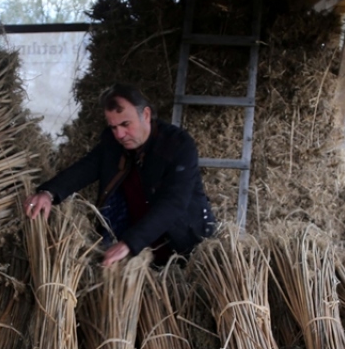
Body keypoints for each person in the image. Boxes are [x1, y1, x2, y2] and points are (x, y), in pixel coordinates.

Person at [24, 84, 216, 266]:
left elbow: (174, 202)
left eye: (126, 124)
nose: (120, 134)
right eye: (113, 127)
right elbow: (86, 168)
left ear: (146, 115)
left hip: (180, 242)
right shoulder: (112, 142)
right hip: (134, 241)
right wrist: (48, 193)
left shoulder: (177, 145)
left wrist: (129, 243)